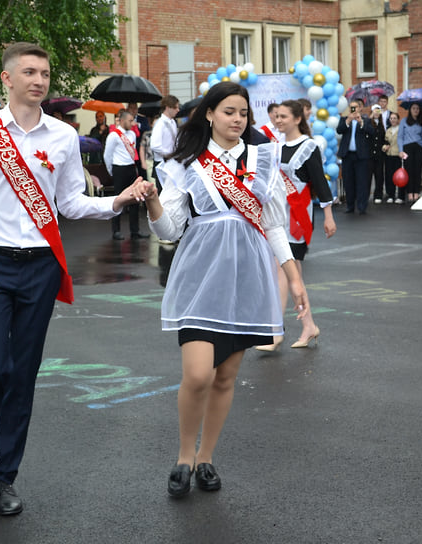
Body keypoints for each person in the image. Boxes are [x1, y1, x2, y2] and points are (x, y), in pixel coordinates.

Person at [0, 42, 152, 519]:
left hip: (40, 267)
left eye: (45, 73)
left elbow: (71, 203)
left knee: (22, 375)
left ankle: (4, 475)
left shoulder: (61, 136)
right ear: (7, 79)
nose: (39, 80)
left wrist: (117, 201)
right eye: (29, 72)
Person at [140, 81, 308, 498]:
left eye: (244, 113)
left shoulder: (262, 160)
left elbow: (272, 224)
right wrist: (152, 202)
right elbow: (169, 230)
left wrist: (292, 274)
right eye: (230, 111)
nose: (238, 120)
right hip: (200, 276)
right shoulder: (186, 164)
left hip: (247, 277)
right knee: (197, 375)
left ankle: (206, 458)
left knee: (226, 377)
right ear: (210, 114)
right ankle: (183, 455)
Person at [256, 99, 335, 351]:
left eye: (283, 116)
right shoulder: (275, 146)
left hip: (298, 218)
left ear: (298, 119)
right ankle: (306, 326)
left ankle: (277, 331)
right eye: (276, 116)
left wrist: (329, 215)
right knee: (291, 274)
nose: (278, 120)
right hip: (279, 215)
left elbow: (320, 184)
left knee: (285, 270)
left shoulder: (308, 146)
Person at [105, 109, 149, 240]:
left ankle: (135, 231)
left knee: (135, 199)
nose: (133, 123)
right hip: (119, 169)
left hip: (130, 168)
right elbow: (107, 155)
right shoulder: (113, 135)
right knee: (118, 199)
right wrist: (111, 171)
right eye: (130, 121)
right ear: (122, 120)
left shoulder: (132, 135)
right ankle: (116, 230)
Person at [336, 99, 375, 214]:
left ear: (360, 108)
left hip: (361, 156)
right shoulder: (344, 119)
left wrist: (361, 123)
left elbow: (371, 132)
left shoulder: (366, 120)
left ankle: (362, 206)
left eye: (355, 107)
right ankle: (350, 206)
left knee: (362, 181)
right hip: (347, 155)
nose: (353, 109)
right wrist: (348, 120)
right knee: (348, 181)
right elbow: (339, 130)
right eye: (351, 107)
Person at [398, 102, 422, 204]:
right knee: (409, 170)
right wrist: (401, 150)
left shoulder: (421, 121)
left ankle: (416, 192)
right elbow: (400, 136)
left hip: (419, 147)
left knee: (417, 171)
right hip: (407, 148)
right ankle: (410, 192)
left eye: (417, 109)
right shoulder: (404, 121)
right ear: (410, 110)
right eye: (414, 108)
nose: (416, 110)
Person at [149, 94, 180, 184]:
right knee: (162, 190)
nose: (178, 110)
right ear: (167, 107)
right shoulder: (160, 124)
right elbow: (154, 146)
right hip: (161, 162)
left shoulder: (173, 122)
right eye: (175, 107)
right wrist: (169, 153)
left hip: (171, 162)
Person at [371, 104, 390, 204]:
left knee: (379, 175)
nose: (376, 113)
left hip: (379, 153)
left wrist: (385, 145)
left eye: (378, 111)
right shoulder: (369, 122)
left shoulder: (382, 124)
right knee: (369, 175)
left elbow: (384, 138)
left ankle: (378, 194)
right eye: (375, 111)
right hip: (370, 154)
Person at [382, 111, 402, 203]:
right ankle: (391, 195)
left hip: (398, 155)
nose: (393, 120)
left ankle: (400, 196)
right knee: (389, 176)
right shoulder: (388, 130)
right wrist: (384, 147)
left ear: (398, 120)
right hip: (389, 155)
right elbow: (384, 142)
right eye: (391, 118)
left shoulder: (401, 129)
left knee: (400, 176)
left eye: (395, 118)